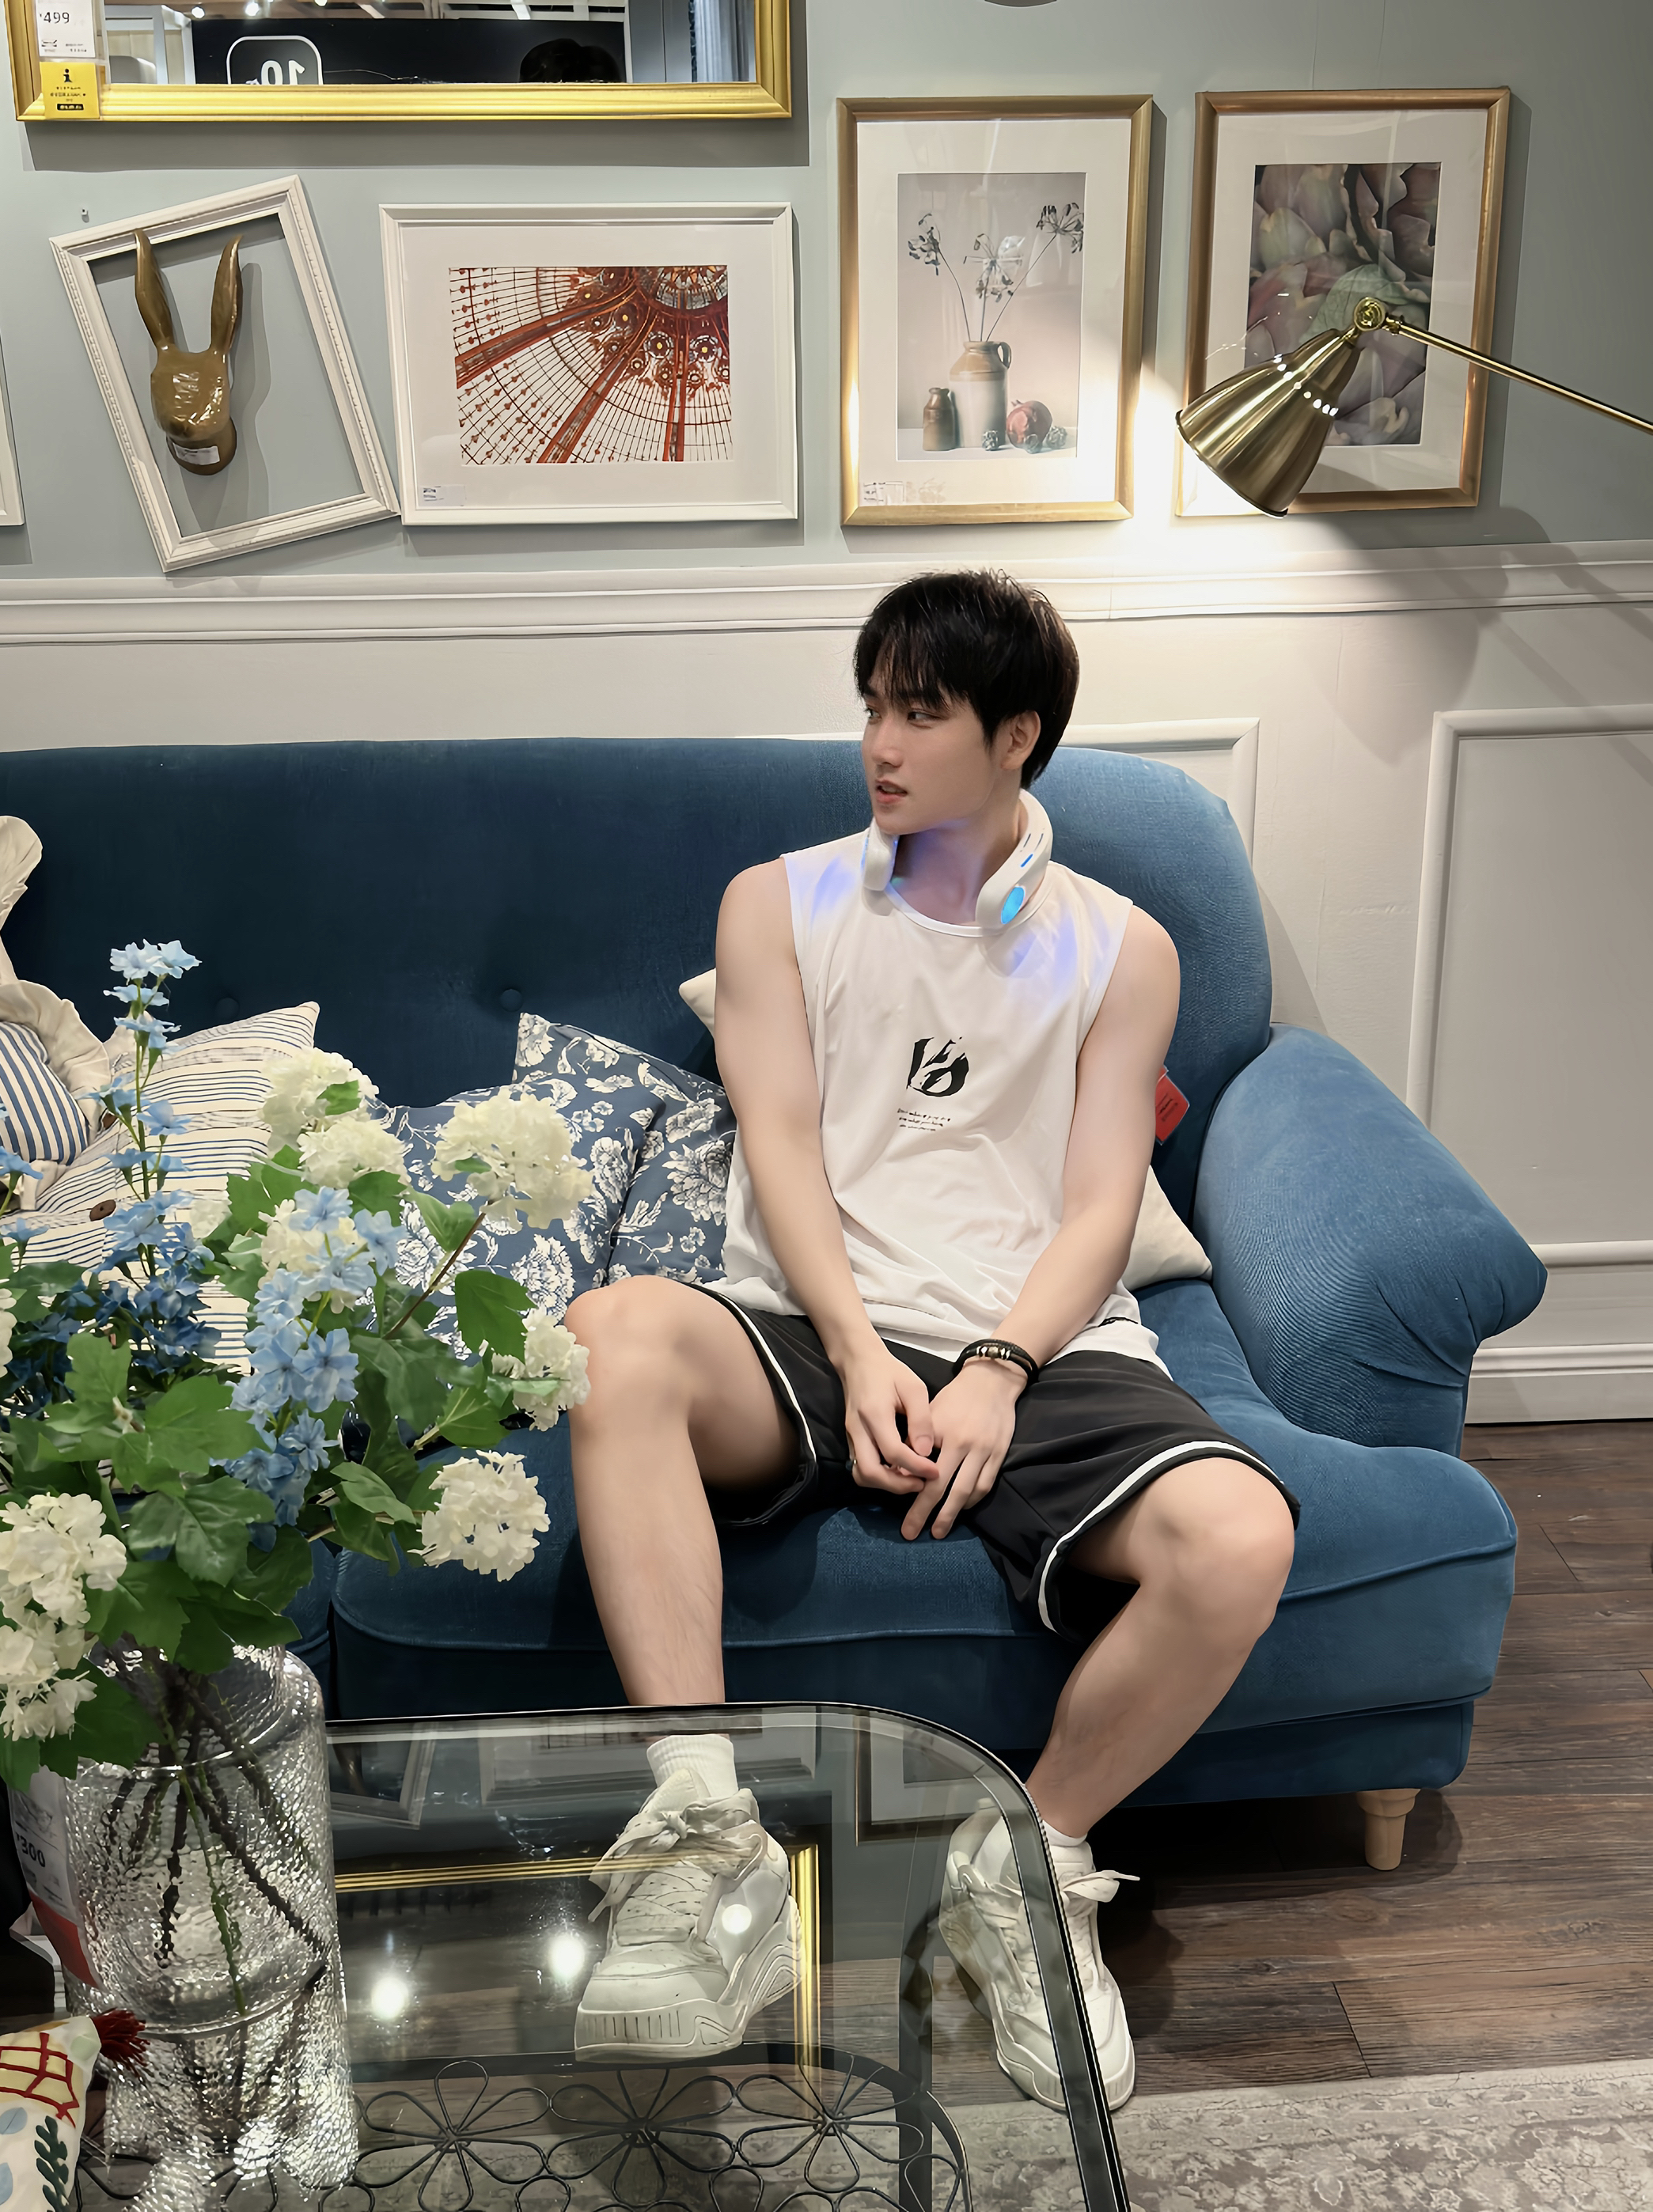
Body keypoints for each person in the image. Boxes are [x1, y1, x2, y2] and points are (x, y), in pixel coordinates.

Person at [563, 571, 1299, 2109]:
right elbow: (778, 1141)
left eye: (920, 712)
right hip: (805, 1324)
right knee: (614, 1336)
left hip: (1040, 1349)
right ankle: (702, 1845)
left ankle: (1023, 1860)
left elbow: (1099, 1205)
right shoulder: (777, 904)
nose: (879, 746)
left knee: (1239, 1536)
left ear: (1014, 735)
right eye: (871, 708)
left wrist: (997, 1370)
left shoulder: (1121, 949)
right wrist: (856, 1348)